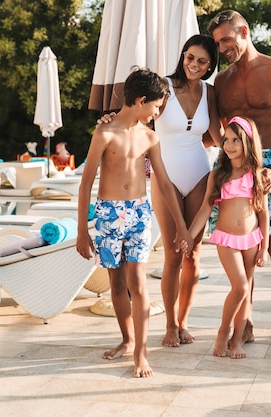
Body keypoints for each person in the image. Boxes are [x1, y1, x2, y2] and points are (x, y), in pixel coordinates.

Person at [99, 34, 224, 349]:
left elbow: (218, 137)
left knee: (194, 255)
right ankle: (169, 325)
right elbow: (135, 115)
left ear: (211, 66)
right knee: (172, 254)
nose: (193, 64)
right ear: (183, 56)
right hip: (163, 176)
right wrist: (109, 118)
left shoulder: (210, 93)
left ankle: (183, 322)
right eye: (189, 57)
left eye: (201, 61)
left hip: (199, 172)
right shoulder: (163, 87)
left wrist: (247, 149)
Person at [76, 67, 193, 378]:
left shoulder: (149, 137)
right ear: (141, 100)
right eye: (156, 106)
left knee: (138, 283)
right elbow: (86, 182)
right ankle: (127, 340)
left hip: (140, 213)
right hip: (108, 214)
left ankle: (140, 354)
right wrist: (80, 232)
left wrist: (181, 226)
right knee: (116, 284)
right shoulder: (105, 133)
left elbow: (165, 183)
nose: (157, 113)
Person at [207, 10, 271, 340]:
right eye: (218, 43)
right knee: (240, 244)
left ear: (245, 31)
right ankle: (245, 319)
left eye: (226, 39)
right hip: (236, 167)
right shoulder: (222, 81)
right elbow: (213, 132)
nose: (222, 48)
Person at [182, 116, 268, 358]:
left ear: (248, 142)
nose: (229, 145)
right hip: (227, 239)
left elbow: (263, 213)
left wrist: (264, 247)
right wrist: (189, 235)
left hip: (252, 239)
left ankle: (237, 340)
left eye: (235, 140)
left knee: (246, 290)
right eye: (226, 140)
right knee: (240, 287)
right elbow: (204, 210)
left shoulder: (256, 175)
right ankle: (223, 332)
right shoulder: (218, 175)